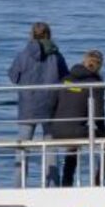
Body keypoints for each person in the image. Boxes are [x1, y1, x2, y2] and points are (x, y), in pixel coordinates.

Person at [7, 22, 68, 187]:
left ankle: (18, 186)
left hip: (28, 106)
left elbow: (13, 77)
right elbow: (65, 78)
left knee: (22, 147)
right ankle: (53, 185)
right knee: (51, 148)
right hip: (50, 105)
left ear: (32, 35)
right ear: (49, 35)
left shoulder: (23, 55)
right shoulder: (56, 56)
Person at [48, 49, 105, 187]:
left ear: (84, 61)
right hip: (76, 130)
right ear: (99, 66)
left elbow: (52, 104)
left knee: (73, 145)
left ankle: (66, 182)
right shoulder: (94, 83)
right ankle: (98, 181)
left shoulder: (65, 79)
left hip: (56, 129)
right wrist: (103, 129)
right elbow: (98, 114)